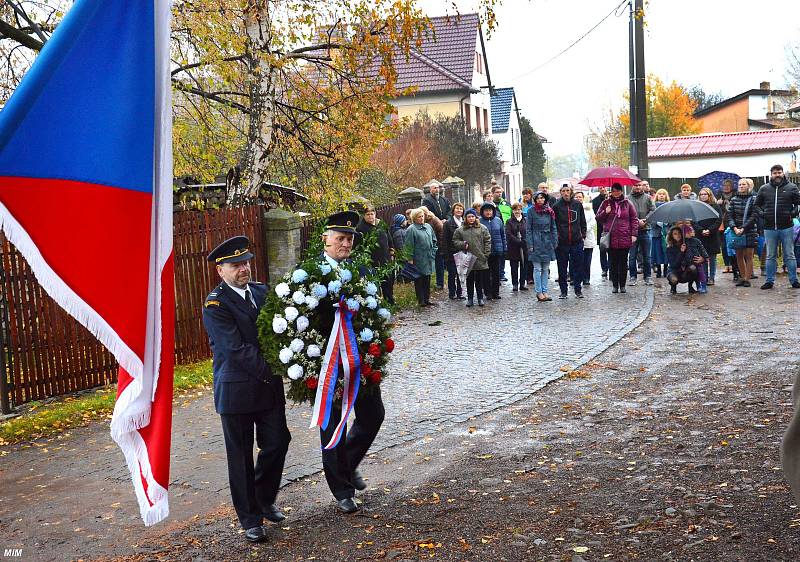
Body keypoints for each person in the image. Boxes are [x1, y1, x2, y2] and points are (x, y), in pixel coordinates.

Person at [202, 236, 290, 543]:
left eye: (246, 262)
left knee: (278, 442)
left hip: (268, 389)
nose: (244, 269)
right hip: (237, 391)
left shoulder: (262, 291)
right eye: (236, 265)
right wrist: (277, 368)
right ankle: (250, 518)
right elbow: (235, 349)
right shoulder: (216, 305)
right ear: (220, 270)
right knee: (239, 457)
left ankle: (264, 498)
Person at [754, 164, 800, 289]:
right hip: (769, 227)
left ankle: (794, 280)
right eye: (775, 173)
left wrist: (793, 213)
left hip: (787, 226)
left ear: (783, 173)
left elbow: (798, 203)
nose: (777, 175)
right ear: (771, 174)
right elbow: (756, 205)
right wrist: (763, 214)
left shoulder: (792, 187)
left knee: (789, 254)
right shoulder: (764, 188)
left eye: (779, 172)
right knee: (770, 255)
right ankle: (769, 281)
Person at [595, 183, 638, 294]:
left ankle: (622, 285)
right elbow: (598, 218)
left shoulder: (628, 203)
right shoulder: (606, 203)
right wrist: (606, 212)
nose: (616, 192)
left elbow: (634, 219)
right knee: (613, 262)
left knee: (623, 262)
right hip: (611, 237)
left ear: (621, 191)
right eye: (614, 190)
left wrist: (634, 234)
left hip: (625, 236)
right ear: (611, 192)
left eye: (618, 190)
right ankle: (615, 285)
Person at [452, 208, 492, 306]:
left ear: (476, 217)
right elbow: (455, 241)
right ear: (465, 218)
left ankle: (480, 298)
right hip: (467, 258)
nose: (471, 218)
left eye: (473, 216)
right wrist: (462, 244)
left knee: (479, 280)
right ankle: (470, 298)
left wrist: (486, 254)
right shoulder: (460, 230)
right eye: (469, 217)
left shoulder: (482, 228)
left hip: (479, 257)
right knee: (469, 280)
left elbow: (487, 240)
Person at [552, 185, 586, 299]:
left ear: (571, 192)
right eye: (563, 191)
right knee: (562, 268)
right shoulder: (556, 206)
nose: (566, 193)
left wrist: (583, 234)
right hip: (562, 243)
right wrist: (557, 237)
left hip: (576, 241)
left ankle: (578, 289)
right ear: (560, 193)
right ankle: (563, 291)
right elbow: (554, 224)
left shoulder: (577, 204)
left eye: (567, 191)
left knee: (578, 267)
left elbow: (582, 221)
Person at [356, 204, 395, 304]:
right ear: (364, 215)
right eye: (368, 214)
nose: (370, 216)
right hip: (372, 260)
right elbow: (360, 245)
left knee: (389, 280)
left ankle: (389, 301)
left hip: (386, 258)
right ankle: (378, 303)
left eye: (372, 214)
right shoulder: (361, 228)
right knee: (376, 284)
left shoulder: (381, 224)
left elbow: (388, 237)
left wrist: (391, 249)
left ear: (375, 214)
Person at [525, 191, 558, 301]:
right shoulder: (531, 211)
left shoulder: (549, 211)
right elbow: (528, 229)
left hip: (547, 241)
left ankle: (545, 290)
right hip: (536, 241)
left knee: (545, 268)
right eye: (538, 198)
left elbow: (553, 227)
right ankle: (538, 292)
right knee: (537, 268)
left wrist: (554, 241)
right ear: (535, 200)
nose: (540, 200)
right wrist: (530, 244)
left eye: (542, 198)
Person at [727, 178, 759, 287]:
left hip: (749, 230)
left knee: (749, 255)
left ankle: (747, 278)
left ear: (748, 186)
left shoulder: (754, 199)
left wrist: (744, 228)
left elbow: (754, 216)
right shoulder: (733, 199)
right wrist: (734, 228)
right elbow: (730, 216)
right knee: (739, 255)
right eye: (740, 184)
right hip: (736, 230)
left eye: (743, 184)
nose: (741, 186)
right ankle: (742, 276)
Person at [404, 207, 437, 306]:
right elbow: (408, 245)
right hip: (418, 258)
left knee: (427, 278)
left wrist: (433, 251)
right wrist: (410, 258)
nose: (421, 218)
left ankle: (427, 298)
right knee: (419, 279)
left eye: (422, 216)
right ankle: (421, 300)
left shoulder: (428, 226)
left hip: (428, 257)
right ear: (414, 218)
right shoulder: (411, 229)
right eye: (419, 217)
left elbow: (434, 240)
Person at [422, 182, 451, 289]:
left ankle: (440, 282)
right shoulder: (427, 201)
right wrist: (438, 220)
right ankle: (430, 283)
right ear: (430, 190)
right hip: (434, 229)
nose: (437, 189)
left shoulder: (444, 200)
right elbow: (428, 213)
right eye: (434, 188)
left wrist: (446, 219)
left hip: (444, 226)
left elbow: (449, 211)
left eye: (438, 188)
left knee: (440, 260)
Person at [627, 180, 655, 286]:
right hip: (632, 232)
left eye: (639, 185)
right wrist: (636, 222)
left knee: (647, 256)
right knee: (632, 256)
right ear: (632, 186)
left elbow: (653, 210)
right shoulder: (627, 198)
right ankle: (632, 277)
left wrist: (645, 220)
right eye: (636, 185)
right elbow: (625, 213)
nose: (638, 187)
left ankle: (647, 277)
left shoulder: (648, 198)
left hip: (646, 230)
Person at [692, 188, 722, 286]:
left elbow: (718, 220)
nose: (703, 196)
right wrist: (701, 230)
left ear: (709, 195)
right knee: (703, 258)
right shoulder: (696, 207)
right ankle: (704, 277)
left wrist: (710, 230)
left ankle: (712, 278)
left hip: (712, 235)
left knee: (712, 258)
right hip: (700, 236)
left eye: (705, 194)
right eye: (701, 194)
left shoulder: (715, 206)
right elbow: (694, 222)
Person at [479, 202, 507, 299]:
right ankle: (488, 292)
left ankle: (496, 292)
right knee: (486, 273)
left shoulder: (498, 220)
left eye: (490, 210)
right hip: (485, 252)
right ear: (483, 211)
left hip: (497, 250)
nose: (488, 212)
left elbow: (503, 235)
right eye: (486, 210)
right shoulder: (479, 222)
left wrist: (504, 248)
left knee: (496, 273)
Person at [665, 226, 704, 294]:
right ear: (671, 236)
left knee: (693, 268)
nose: (678, 235)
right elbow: (674, 265)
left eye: (679, 233)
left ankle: (690, 286)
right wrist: (681, 252)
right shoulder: (669, 248)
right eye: (675, 234)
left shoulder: (687, 244)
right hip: (674, 271)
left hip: (685, 271)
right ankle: (673, 287)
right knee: (674, 279)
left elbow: (696, 254)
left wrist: (702, 258)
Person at [444, 202, 466, 300]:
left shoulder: (465, 222)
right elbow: (444, 239)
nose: (459, 210)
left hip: (463, 252)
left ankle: (460, 293)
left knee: (461, 273)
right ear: (453, 210)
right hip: (451, 252)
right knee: (452, 274)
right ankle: (452, 293)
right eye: (457, 208)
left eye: (461, 209)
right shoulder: (448, 223)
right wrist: (446, 253)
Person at [505, 202, 528, 291]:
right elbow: (509, 234)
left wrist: (524, 241)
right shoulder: (509, 221)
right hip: (513, 247)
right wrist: (518, 241)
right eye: (515, 209)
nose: (517, 211)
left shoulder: (525, 220)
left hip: (524, 247)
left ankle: (522, 283)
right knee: (514, 267)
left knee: (524, 266)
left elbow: (528, 232)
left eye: (518, 209)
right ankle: (515, 284)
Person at [575, 191, 596, 286]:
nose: (578, 198)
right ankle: (576, 278)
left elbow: (593, 221)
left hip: (588, 236)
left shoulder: (588, 209)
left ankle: (586, 278)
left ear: (583, 198)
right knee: (577, 260)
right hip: (576, 236)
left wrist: (584, 229)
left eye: (580, 197)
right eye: (576, 197)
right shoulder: (573, 207)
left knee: (587, 260)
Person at [718, 179, 737, 275]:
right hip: (722, 224)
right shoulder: (719, 195)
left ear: (732, 186)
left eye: (728, 185)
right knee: (724, 246)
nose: (726, 187)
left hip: (732, 223)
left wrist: (729, 203)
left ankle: (734, 265)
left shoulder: (735, 195)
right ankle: (727, 265)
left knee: (733, 245)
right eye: (724, 185)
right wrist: (718, 203)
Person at [649, 189, 669, 278]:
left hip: (666, 234)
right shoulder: (653, 206)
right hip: (656, 234)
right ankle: (658, 270)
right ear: (657, 195)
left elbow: (672, 218)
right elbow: (651, 218)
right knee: (657, 252)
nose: (661, 195)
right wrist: (656, 223)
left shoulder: (669, 205)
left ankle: (665, 269)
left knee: (666, 252)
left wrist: (667, 223)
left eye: (663, 194)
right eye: (660, 194)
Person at [592, 185, 609, 278]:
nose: (603, 189)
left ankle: (611, 267)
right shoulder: (595, 201)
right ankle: (604, 269)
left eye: (604, 187)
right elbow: (597, 215)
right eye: (601, 188)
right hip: (601, 228)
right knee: (602, 249)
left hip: (611, 228)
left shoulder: (612, 198)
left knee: (611, 250)